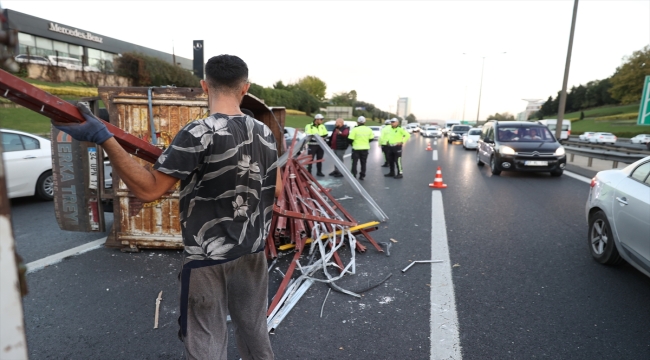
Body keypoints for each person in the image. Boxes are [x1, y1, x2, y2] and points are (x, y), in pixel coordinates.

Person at [52, 55, 278, 360]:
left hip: (207, 257)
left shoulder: (199, 132)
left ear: (203, 86)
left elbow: (149, 190)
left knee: (206, 341)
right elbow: (276, 189)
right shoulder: (265, 134)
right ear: (245, 88)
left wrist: (103, 138)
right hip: (253, 251)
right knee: (254, 332)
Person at [347, 116, 374, 180]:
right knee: (363, 163)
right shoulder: (369, 129)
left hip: (356, 149)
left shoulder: (355, 129)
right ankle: (362, 175)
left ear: (358, 122)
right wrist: (366, 142)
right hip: (365, 149)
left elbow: (350, 139)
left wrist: (352, 144)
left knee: (354, 162)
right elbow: (371, 138)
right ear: (365, 122)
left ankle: (354, 175)